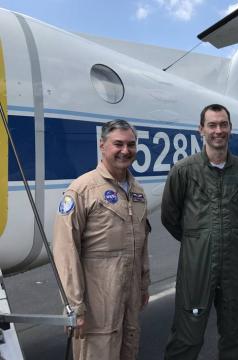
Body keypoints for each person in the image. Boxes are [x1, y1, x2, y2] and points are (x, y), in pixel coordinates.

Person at [161, 104, 238, 359]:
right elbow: (169, 216)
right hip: (196, 265)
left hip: (233, 265)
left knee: (234, 333)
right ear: (200, 129)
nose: (218, 130)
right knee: (187, 335)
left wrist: (225, 234)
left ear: (230, 128)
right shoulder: (183, 171)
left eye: (223, 124)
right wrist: (197, 240)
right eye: (212, 125)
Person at [53, 120, 150, 360]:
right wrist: (74, 306)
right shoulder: (82, 189)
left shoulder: (137, 191)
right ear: (102, 146)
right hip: (96, 306)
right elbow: (65, 251)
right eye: (118, 144)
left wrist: (143, 284)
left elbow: (142, 244)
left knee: (129, 350)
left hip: (129, 300)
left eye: (130, 144)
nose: (125, 150)